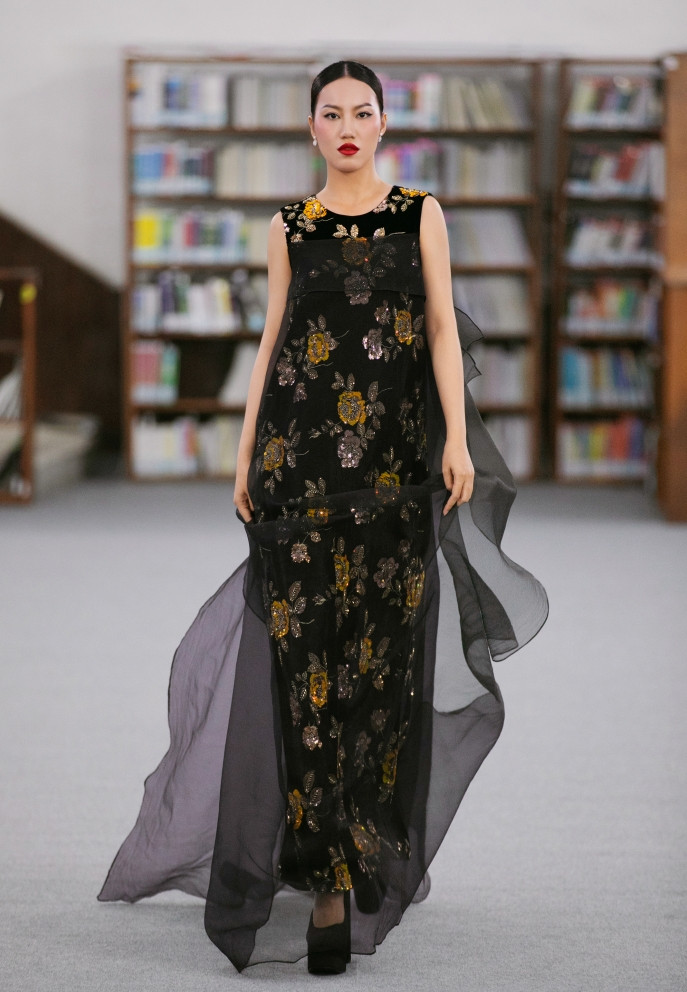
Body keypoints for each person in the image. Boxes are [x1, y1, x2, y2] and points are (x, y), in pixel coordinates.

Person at [98, 61, 548, 976]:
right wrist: (243, 455)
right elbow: (271, 342)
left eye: (362, 112)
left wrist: (457, 440)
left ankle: (362, 844)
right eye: (331, 113)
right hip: (296, 472)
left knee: (378, 669)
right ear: (310, 128)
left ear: (383, 125)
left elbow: (440, 328)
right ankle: (327, 882)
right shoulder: (288, 227)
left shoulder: (419, 215)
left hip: (395, 473)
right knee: (305, 672)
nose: (347, 125)